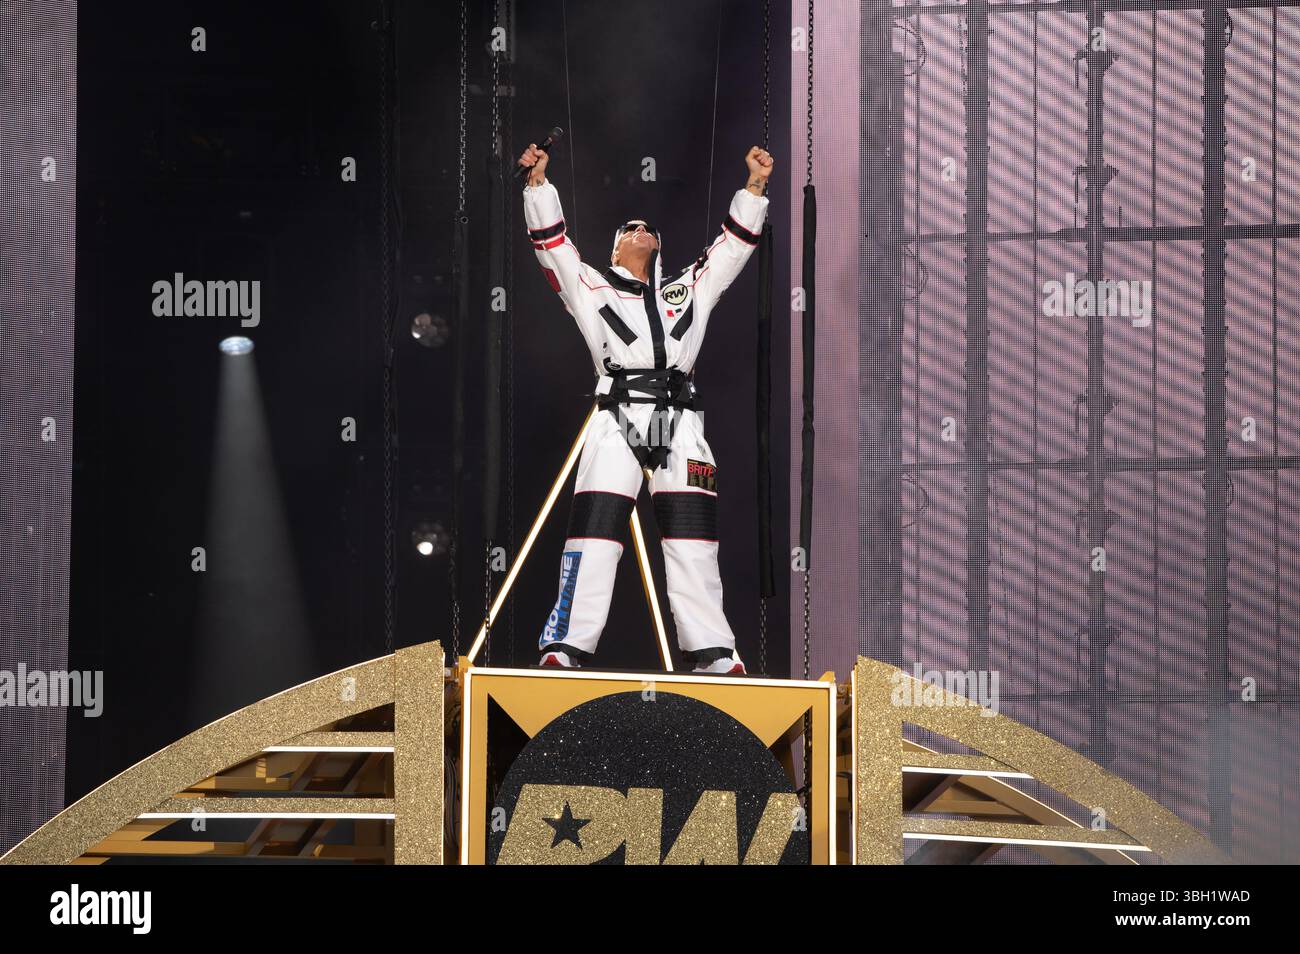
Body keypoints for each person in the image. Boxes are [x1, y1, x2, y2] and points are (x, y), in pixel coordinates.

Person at [519, 141, 773, 674]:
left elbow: (732, 248)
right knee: (594, 535)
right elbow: (554, 248)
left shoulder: (687, 290)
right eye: (627, 229)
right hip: (617, 418)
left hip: (681, 424)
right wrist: (538, 185)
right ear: (612, 251)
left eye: (647, 227)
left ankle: (714, 653)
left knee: (693, 541)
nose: (640, 229)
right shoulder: (591, 286)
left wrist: (754, 187)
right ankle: (565, 646)